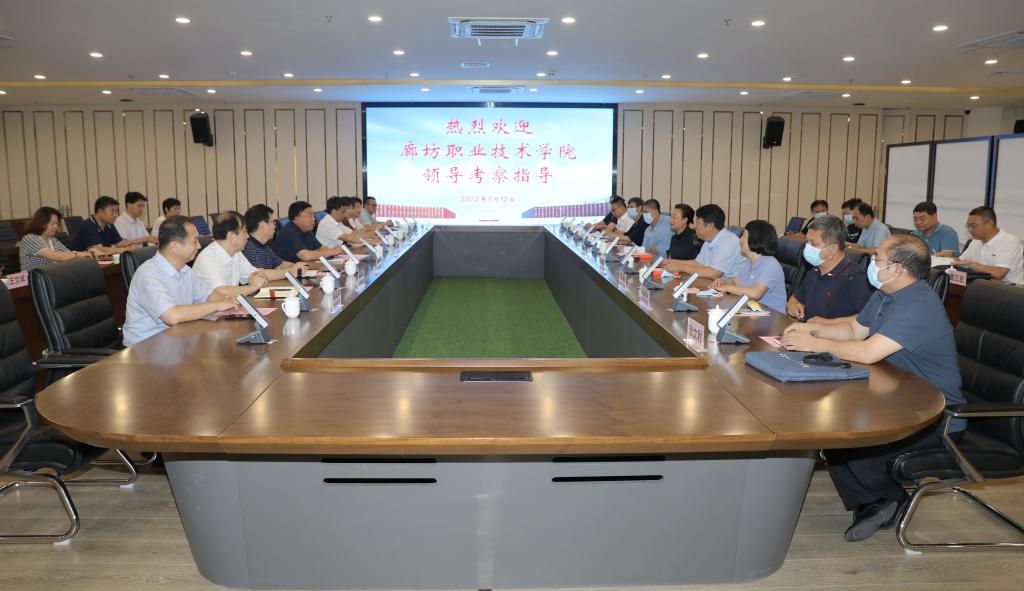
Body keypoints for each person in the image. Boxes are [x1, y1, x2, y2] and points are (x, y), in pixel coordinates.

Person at [781, 234, 965, 542]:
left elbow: (868, 352)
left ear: (899, 268)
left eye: (878, 258)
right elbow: (855, 330)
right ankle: (876, 504)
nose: (871, 263)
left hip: (936, 416)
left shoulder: (919, 304)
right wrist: (813, 328)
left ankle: (890, 499)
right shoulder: (886, 292)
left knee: (856, 447)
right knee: (834, 436)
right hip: (896, 399)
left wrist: (814, 344)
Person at [122, 215, 237, 346]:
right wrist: (218, 305)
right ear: (175, 246)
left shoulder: (185, 270)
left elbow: (208, 296)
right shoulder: (148, 275)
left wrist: (233, 302)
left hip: (177, 340)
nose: (199, 246)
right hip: (144, 348)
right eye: (195, 241)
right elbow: (172, 316)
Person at [193, 211, 305, 296]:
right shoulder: (208, 258)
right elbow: (221, 292)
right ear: (232, 236)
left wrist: (259, 277)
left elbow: (255, 274)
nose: (247, 236)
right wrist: (253, 287)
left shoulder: (236, 253)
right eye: (245, 232)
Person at [787, 214, 873, 321]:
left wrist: (827, 325)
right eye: (807, 242)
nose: (807, 247)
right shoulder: (815, 270)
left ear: (833, 248)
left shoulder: (856, 279)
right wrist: (793, 306)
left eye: (813, 244)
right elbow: (795, 299)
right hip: (805, 329)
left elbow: (868, 321)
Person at [710, 220, 787, 311]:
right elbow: (736, 282)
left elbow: (755, 294)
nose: (740, 239)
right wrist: (723, 281)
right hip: (753, 311)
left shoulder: (770, 264)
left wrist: (726, 288)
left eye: (744, 235)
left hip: (772, 315)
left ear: (756, 239)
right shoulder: (749, 260)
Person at [662, 203, 743, 280]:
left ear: (711, 225)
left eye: (697, 222)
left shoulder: (729, 241)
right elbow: (698, 263)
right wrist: (669, 262)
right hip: (713, 284)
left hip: (732, 288)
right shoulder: (709, 240)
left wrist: (681, 267)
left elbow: (713, 273)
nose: (694, 226)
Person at [953, 205, 1023, 284]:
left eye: (973, 226)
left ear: (989, 224)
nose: (970, 230)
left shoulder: (1009, 241)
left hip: (1010, 288)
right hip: (982, 284)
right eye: (968, 226)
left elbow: (998, 274)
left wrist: (970, 264)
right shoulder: (976, 241)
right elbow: (960, 262)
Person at [19, 206, 97, 271]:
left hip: (50, 278)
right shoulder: (29, 238)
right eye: (52, 224)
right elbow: (55, 256)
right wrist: (79, 254)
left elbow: (68, 254)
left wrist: (87, 253)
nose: (56, 226)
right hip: (33, 281)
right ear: (41, 223)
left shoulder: (52, 240)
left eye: (57, 223)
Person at [273, 201, 344, 263]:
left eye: (313, 215)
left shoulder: (306, 229)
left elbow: (320, 248)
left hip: (305, 267)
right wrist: (333, 252)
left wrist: (337, 252)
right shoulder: (289, 232)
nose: (314, 219)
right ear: (296, 216)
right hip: (289, 271)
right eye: (309, 215)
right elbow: (305, 256)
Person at [70, 195, 135, 254]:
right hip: (80, 261)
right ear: (100, 211)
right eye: (112, 211)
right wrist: (123, 250)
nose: (116, 215)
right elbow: (98, 249)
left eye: (116, 211)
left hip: (100, 260)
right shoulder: (88, 226)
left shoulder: (109, 225)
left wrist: (131, 246)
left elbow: (120, 243)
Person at [242, 204, 291, 270]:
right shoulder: (248, 248)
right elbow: (262, 273)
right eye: (273, 222)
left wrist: (298, 266)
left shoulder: (264, 246)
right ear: (262, 224)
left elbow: (281, 265)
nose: (275, 227)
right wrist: (291, 270)